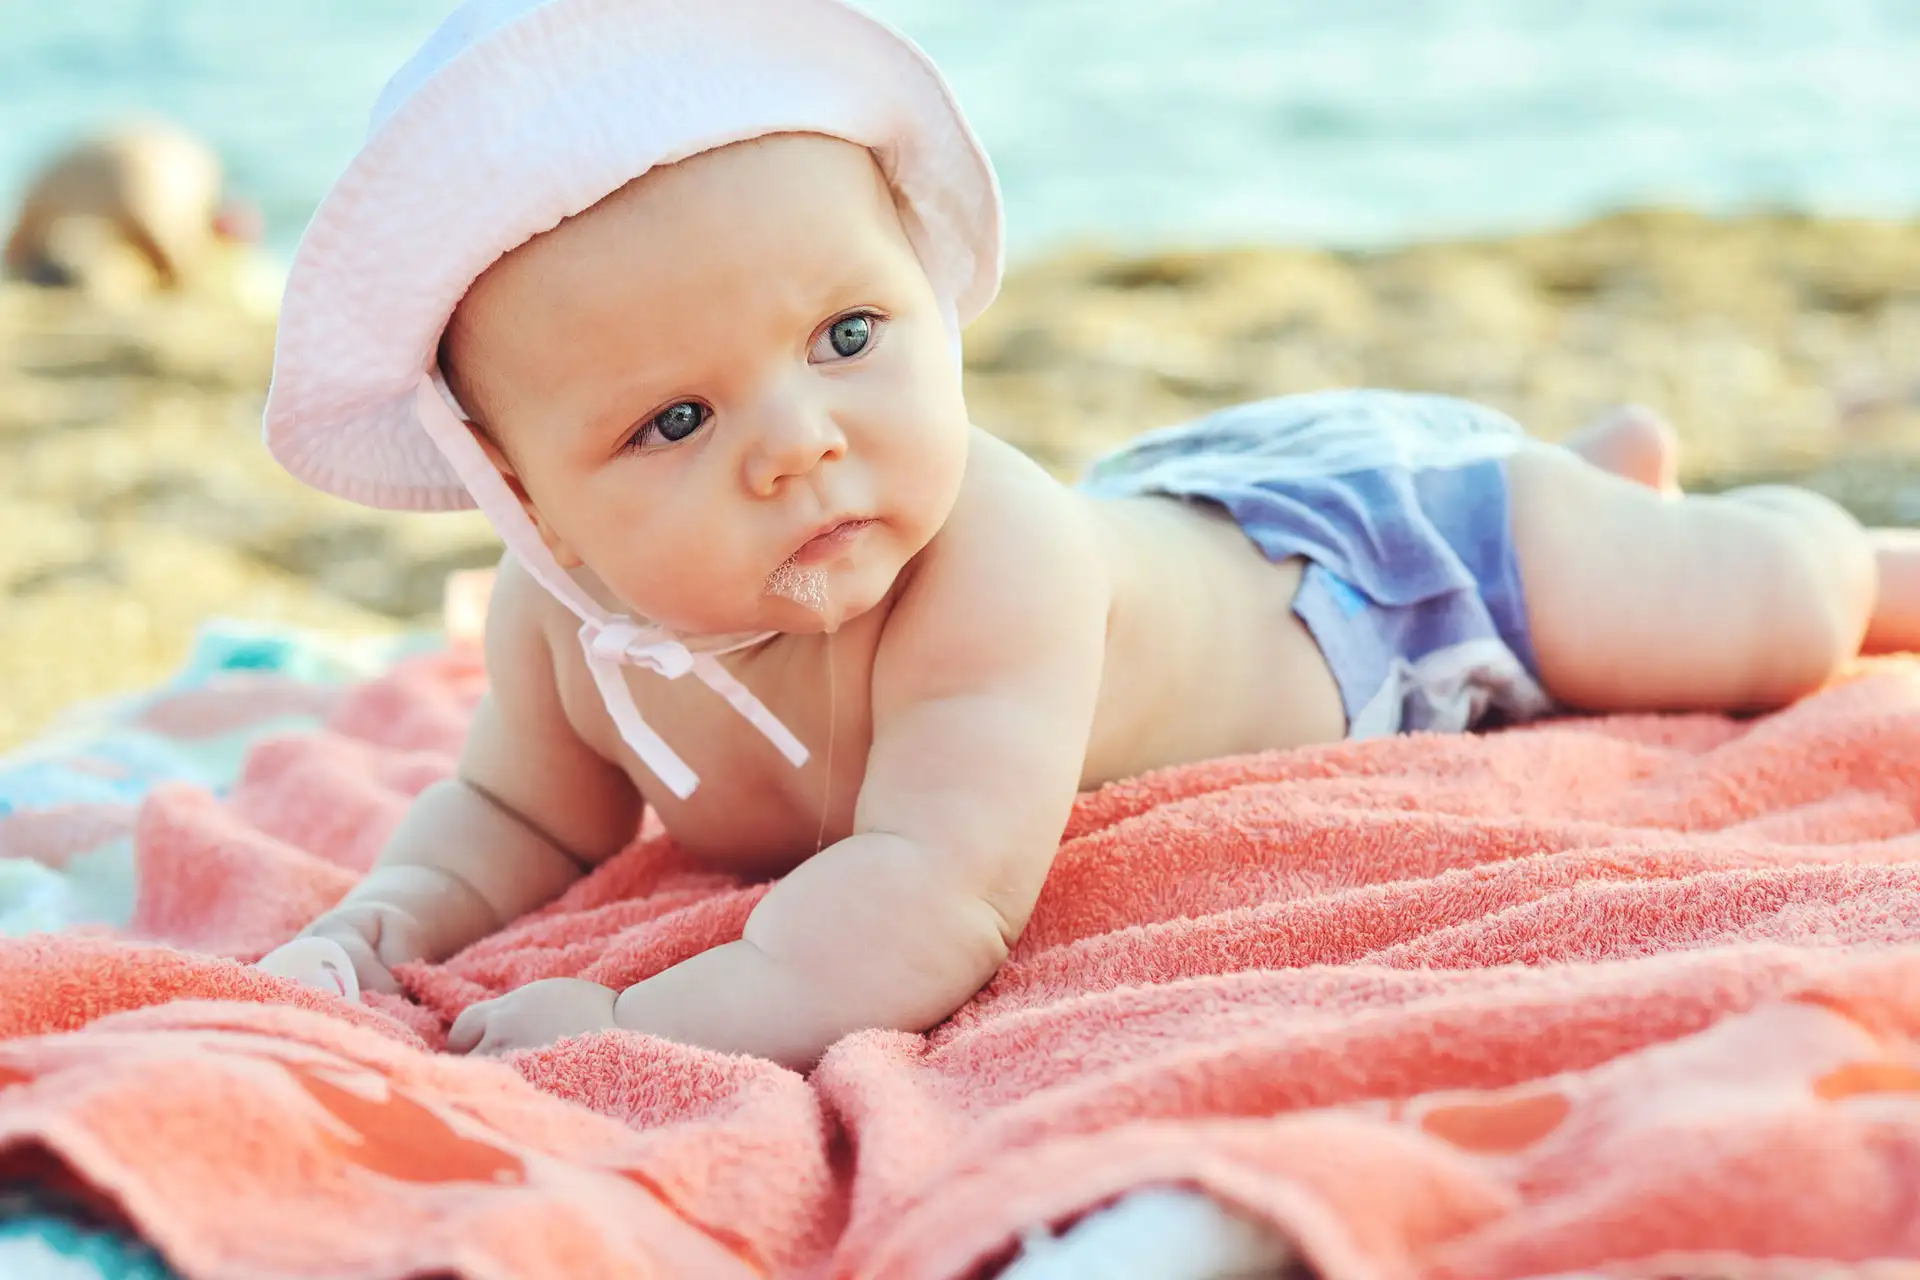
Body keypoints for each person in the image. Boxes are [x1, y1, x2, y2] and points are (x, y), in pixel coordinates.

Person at [258, 0, 1920, 1070]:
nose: (804, 443)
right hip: (1212, 514)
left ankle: (1826, 545)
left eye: (847, 337)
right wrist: (388, 917)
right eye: (675, 422)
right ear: (525, 502)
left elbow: (925, 898)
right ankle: (1609, 477)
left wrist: (626, 1026)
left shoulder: (993, 561)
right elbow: (509, 813)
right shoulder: (571, 630)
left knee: (1767, 610)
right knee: (1646, 552)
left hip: (1377, 570)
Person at [4, 120, 261, 295]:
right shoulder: (189, 183)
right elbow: (177, 269)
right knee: (178, 277)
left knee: (18, 263)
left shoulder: (50, 186)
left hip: (63, 170)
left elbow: (15, 255)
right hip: (140, 179)